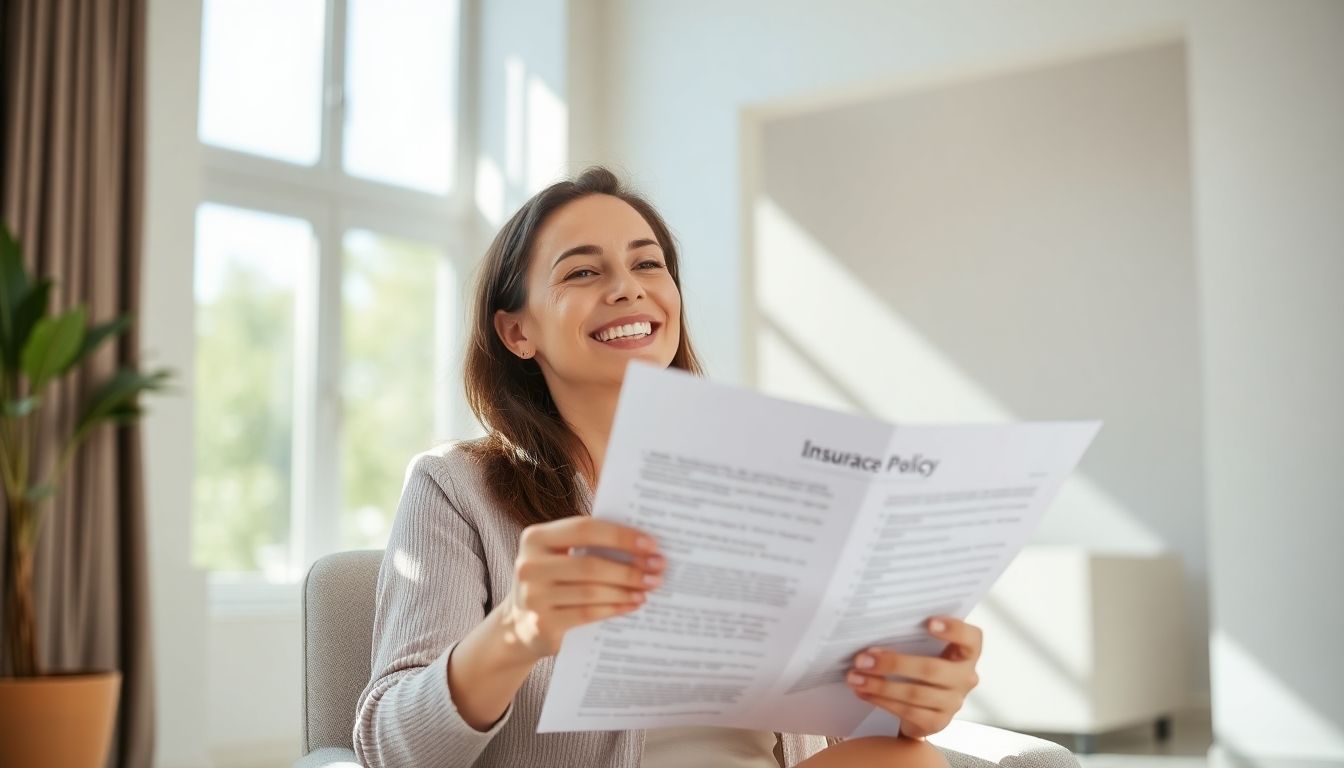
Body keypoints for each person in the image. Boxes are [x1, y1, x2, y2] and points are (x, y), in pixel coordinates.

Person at [353, 167, 982, 767]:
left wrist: (909, 698)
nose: (628, 287)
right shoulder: (456, 487)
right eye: (582, 272)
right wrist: (515, 633)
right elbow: (392, 749)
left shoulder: (767, 480)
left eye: (648, 263)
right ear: (518, 332)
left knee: (909, 756)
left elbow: (837, 707)